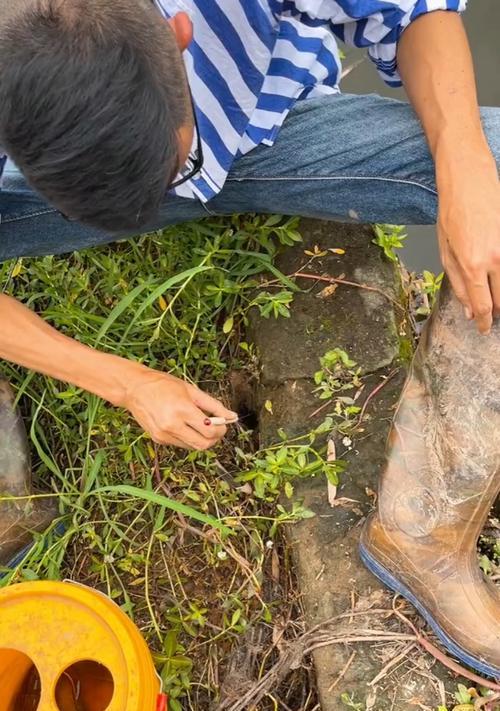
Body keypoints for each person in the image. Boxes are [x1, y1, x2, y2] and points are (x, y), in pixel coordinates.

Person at [1, 0, 500, 677]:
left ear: (181, 33)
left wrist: (464, 160)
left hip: (271, 132)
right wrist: (126, 381)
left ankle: (423, 529)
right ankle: (14, 495)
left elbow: (410, 11)